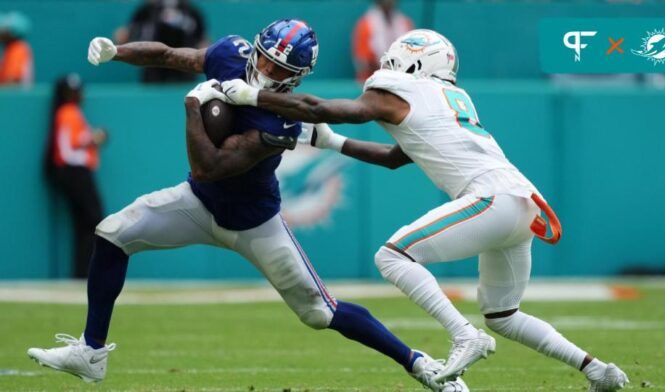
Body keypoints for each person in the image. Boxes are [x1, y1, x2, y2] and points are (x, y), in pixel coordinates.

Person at [27, 20, 467, 392]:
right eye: (263, 57)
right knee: (112, 235)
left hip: (255, 224)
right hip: (197, 206)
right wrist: (117, 51)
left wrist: (194, 106)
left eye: (278, 67)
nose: (265, 69)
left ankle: (418, 363)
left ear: (295, 77)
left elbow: (209, 167)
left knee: (320, 313)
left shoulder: (281, 119)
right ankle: (91, 352)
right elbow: (169, 54)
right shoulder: (231, 55)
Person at [219, 29, 630, 392]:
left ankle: (463, 334)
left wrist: (254, 95)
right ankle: (596, 370)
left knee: (392, 255)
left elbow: (321, 109)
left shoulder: (399, 86)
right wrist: (328, 142)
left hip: (491, 198)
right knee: (503, 314)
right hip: (522, 205)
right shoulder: (452, 96)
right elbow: (395, 158)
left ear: (409, 58)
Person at [44, 74, 108, 278]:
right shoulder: (67, 112)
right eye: (73, 91)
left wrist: (91, 139)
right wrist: (92, 140)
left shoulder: (72, 112)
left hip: (75, 172)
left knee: (85, 224)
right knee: (93, 220)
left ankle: (83, 273)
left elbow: (75, 141)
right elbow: (65, 151)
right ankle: (86, 273)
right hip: (74, 172)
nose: (78, 94)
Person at [114, 0, 207, 83]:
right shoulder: (147, 10)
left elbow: (203, 40)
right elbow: (125, 35)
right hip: (153, 68)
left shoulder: (191, 11)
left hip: (184, 69)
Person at [352, 0, 412, 82]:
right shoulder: (365, 25)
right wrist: (387, 68)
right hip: (372, 80)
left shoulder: (404, 23)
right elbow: (363, 63)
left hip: (401, 79)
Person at [0, 11, 33, 85]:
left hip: (12, 95)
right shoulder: (9, 49)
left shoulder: (17, 48)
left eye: (3, 29)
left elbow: (11, 81)